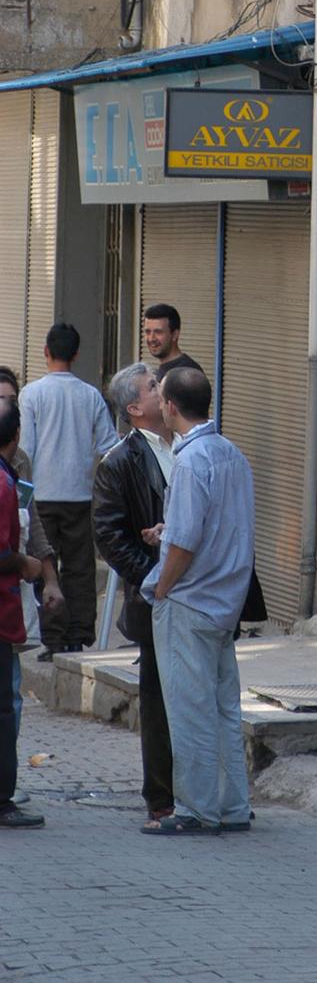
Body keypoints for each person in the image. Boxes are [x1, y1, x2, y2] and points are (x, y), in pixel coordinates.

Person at [140, 366, 254, 836]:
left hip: (189, 602)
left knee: (189, 710)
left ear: (169, 407)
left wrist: (163, 586)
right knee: (224, 708)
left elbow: (186, 541)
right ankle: (233, 806)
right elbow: (222, 525)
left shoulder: (189, 462)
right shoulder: (230, 453)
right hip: (225, 600)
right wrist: (170, 538)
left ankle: (196, 809)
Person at [92, 363, 174, 825]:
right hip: (156, 597)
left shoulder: (189, 444)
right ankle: (161, 797)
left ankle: (201, 790)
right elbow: (110, 537)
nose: (161, 390)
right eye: (152, 386)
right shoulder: (119, 462)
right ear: (134, 408)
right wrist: (155, 579)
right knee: (159, 699)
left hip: (198, 596)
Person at [19, 323, 119, 658]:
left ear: (46, 352)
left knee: (46, 568)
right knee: (79, 567)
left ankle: (52, 638)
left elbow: (26, 450)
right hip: (79, 496)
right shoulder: (90, 394)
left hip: (42, 497)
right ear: (76, 354)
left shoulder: (31, 394)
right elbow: (109, 446)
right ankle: (78, 635)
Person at [0, 399, 46, 828]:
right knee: (3, 709)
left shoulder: (12, 476)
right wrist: (25, 565)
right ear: (14, 437)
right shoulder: (2, 483)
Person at [142, 305, 203, 380]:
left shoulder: (186, 375)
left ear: (175, 335)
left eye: (158, 332)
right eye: (147, 332)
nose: (151, 338)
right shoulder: (164, 371)